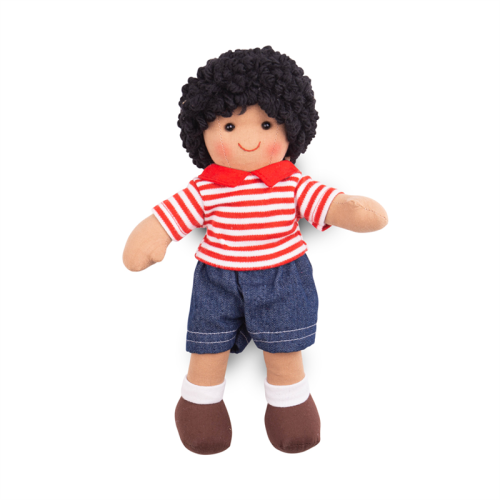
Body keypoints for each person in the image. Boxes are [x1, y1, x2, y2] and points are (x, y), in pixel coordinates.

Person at [123, 46, 388, 455]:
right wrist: (153, 236)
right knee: (207, 346)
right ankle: (199, 403)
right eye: (229, 126)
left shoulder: (291, 183)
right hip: (218, 278)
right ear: (202, 131)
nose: (248, 139)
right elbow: (171, 217)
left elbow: (330, 204)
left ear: (290, 128)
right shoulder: (207, 187)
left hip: (282, 275)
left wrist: (348, 209)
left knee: (285, 348)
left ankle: (289, 403)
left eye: (266, 124)